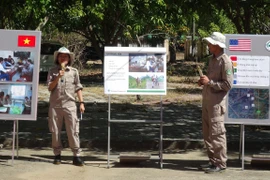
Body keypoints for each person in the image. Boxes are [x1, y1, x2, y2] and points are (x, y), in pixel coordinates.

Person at [198, 32, 233, 173]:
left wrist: (210, 83)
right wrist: (204, 82)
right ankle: (212, 161)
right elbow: (210, 80)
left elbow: (227, 85)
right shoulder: (212, 60)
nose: (208, 45)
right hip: (207, 102)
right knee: (208, 134)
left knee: (217, 133)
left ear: (217, 45)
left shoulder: (225, 61)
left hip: (217, 104)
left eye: (210, 43)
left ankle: (220, 163)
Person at [47, 47, 85, 166]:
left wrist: (81, 103)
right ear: (57, 58)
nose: (63, 58)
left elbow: (78, 87)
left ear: (69, 59)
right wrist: (58, 76)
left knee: (73, 130)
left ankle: (76, 155)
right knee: (55, 131)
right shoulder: (52, 71)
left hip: (70, 105)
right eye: (61, 56)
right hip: (55, 105)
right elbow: (50, 87)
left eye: (65, 56)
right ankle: (57, 155)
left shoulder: (74, 71)